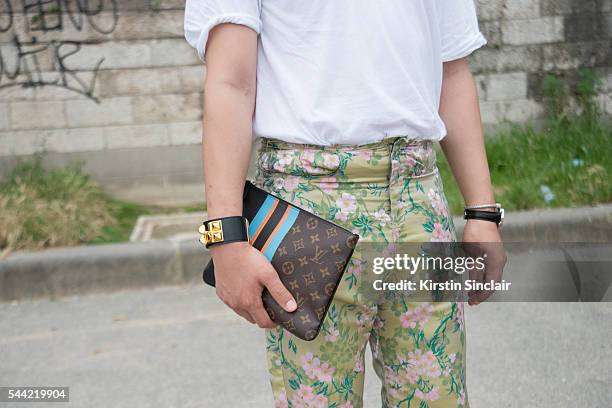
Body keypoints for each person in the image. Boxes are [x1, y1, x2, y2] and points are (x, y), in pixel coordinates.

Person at [185, 1, 506, 406]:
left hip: (417, 196)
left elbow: (451, 67)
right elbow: (231, 82)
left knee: (438, 397)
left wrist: (482, 213)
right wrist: (226, 237)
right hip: (306, 204)